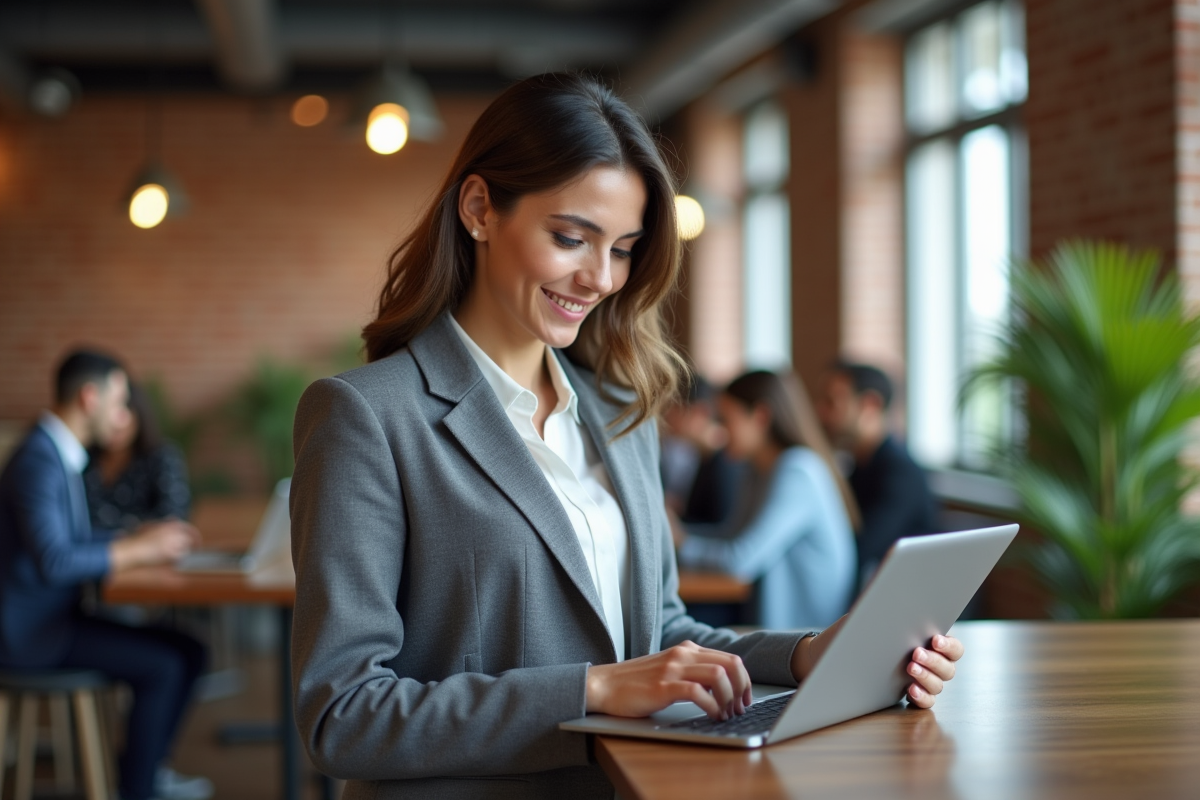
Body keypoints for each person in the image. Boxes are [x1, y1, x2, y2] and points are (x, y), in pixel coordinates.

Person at [289, 73, 964, 800]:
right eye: (571, 238)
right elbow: (342, 715)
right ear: (480, 209)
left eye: (623, 249)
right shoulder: (367, 416)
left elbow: (658, 632)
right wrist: (595, 689)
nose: (600, 278)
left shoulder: (619, 410)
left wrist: (809, 656)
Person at [0, 350, 212, 800]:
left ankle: (144, 768)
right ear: (89, 396)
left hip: (51, 620)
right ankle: (137, 787)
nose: (122, 415)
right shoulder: (39, 459)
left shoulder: (53, 452)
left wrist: (134, 535)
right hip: (31, 636)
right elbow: (55, 560)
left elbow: (70, 540)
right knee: (166, 665)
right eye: (118, 402)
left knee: (189, 649)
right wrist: (137, 548)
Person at [674, 370, 859, 629]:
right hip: (769, 623)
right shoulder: (755, 470)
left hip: (807, 638)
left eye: (726, 420)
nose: (720, 431)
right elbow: (732, 535)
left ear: (760, 416)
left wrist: (682, 544)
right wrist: (680, 534)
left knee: (679, 623)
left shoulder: (797, 471)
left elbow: (740, 560)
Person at [817, 360, 938, 588]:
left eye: (832, 403)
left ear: (871, 405)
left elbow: (858, 552)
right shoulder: (860, 466)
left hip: (907, 603)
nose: (821, 412)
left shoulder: (899, 472)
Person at [84, 381, 191, 533]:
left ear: (138, 415)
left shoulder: (161, 456)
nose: (116, 422)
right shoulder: (82, 458)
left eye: (122, 411)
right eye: (110, 410)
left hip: (150, 552)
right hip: (91, 552)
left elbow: (174, 515)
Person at [660, 374, 743, 525]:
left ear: (700, 412)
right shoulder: (699, 455)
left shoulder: (726, 462)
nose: (666, 417)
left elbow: (720, 530)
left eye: (672, 408)